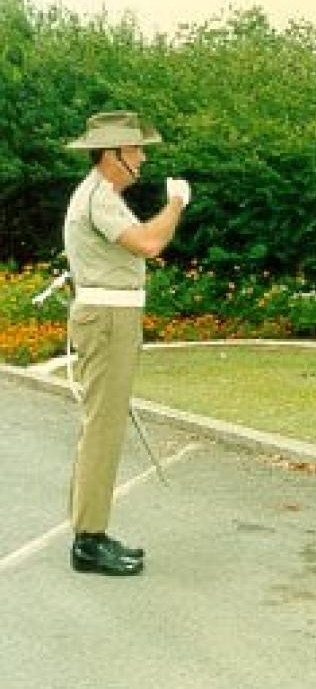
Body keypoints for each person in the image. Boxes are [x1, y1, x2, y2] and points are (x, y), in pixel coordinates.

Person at [63, 110, 191, 576]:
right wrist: (176, 203)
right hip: (108, 319)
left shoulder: (104, 195)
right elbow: (149, 243)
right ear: (113, 154)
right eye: (135, 149)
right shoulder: (99, 196)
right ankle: (89, 540)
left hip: (112, 317)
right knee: (104, 426)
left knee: (101, 423)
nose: (141, 157)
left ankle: (88, 531)